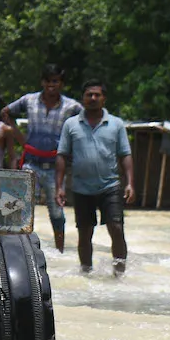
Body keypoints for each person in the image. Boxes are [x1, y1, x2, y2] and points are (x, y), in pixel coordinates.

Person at [56, 81, 134, 276]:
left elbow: (125, 154)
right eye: (89, 95)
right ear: (83, 98)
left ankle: (119, 273)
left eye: (96, 95)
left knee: (116, 227)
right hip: (81, 187)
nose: (92, 98)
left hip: (110, 186)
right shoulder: (71, 124)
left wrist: (131, 183)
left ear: (104, 98)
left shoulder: (116, 124)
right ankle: (86, 273)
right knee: (85, 232)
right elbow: (62, 155)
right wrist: (60, 187)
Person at [6, 66, 80, 251]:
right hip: (31, 163)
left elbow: (84, 123)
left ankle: (60, 251)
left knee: (57, 212)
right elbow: (5, 112)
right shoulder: (29, 100)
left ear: (61, 84)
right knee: (21, 207)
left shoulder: (72, 106)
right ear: (43, 82)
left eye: (55, 81)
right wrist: (21, 139)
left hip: (56, 167)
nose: (51, 85)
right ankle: (20, 249)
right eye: (48, 81)